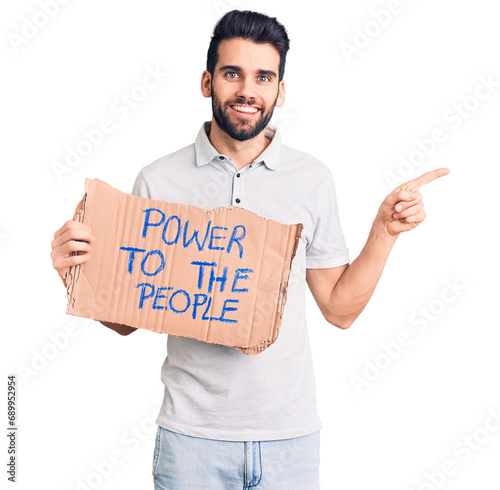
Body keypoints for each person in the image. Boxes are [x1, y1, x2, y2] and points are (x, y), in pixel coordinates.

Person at [50, 9, 449, 489]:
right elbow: (128, 319)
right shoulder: (158, 180)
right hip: (190, 439)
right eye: (232, 73)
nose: (247, 90)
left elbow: (340, 310)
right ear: (207, 81)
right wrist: (77, 274)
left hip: (290, 440)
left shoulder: (312, 179)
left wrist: (384, 232)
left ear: (280, 90)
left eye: (264, 77)